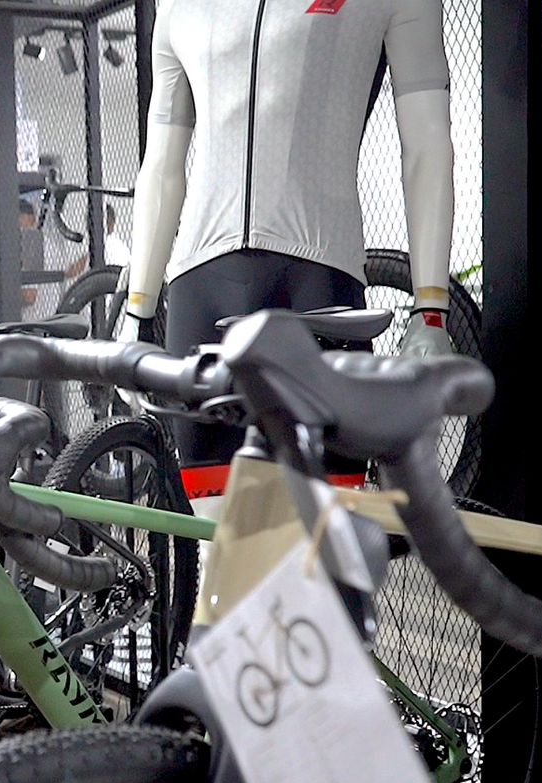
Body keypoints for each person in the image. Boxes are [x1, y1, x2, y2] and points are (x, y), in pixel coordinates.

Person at [122, 0, 455, 500]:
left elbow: (428, 146)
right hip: (199, 293)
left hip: (317, 290)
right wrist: (137, 310)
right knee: (222, 539)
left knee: (322, 537)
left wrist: (431, 309)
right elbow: (162, 164)